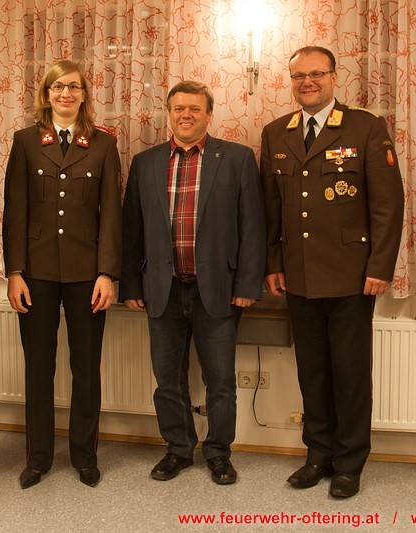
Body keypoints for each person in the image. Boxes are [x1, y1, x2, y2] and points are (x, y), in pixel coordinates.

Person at [260, 46, 405, 498]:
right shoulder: (276, 133)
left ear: (334, 77)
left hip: (351, 275)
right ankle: (317, 455)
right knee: (313, 372)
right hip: (299, 274)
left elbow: (388, 204)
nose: (308, 82)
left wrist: (380, 266)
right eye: (299, 76)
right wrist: (273, 263)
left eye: (316, 74)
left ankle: (349, 463)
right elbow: (271, 207)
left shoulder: (365, 127)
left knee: (350, 374)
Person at [119, 80, 265, 485]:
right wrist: (131, 286)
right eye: (179, 108)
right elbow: (132, 229)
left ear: (208, 114)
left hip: (216, 289)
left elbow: (252, 226)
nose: (186, 115)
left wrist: (248, 285)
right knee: (167, 380)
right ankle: (178, 449)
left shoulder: (236, 159)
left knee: (221, 381)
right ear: (169, 113)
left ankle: (218, 453)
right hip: (162, 290)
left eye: (195, 109)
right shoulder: (145, 163)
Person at [2, 60, 122, 489]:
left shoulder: (104, 144)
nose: (65, 94)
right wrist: (14, 272)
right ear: (47, 94)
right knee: (39, 367)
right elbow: (14, 211)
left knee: (86, 367)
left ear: (84, 94)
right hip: (35, 273)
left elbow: (112, 215)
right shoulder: (25, 141)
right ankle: (37, 458)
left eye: (73, 87)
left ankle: (84, 455)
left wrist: (107, 273)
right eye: (57, 87)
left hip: (87, 274)